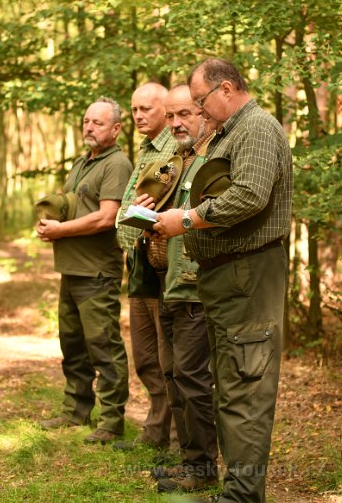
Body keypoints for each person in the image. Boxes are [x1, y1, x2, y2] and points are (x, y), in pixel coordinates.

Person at [153, 59, 293, 502]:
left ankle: (242, 497)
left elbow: (250, 194)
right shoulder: (232, 132)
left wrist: (188, 221)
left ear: (227, 88)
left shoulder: (255, 129)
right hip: (228, 277)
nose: (199, 109)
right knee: (231, 386)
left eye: (200, 101)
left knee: (246, 388)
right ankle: (236, 490)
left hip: (249, 275)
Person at [136, 84, 219, 493]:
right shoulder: (179, 160)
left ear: (203, 110)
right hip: (167, 284)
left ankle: (203, 469)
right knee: (176, 376)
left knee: (192, 378)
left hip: (195, 287)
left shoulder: (212, 159)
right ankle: (191, 462)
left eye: (183, 113)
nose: (176, 123)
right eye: (170, 116)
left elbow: (216, 216)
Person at [37, 97, 132, 444]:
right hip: (71, 268)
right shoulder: (81, 163)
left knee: (103, 346)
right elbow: (77, 208)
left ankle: (110, 422)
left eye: (98, 122)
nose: (90, 127)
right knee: (73, 345)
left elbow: (108, 217)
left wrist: (60, 231)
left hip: (97, 272)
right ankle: (75, 411)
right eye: (86, 121)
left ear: (116, 129)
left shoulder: (117, 163)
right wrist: (50, 223)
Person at [115, 82, 176, 449]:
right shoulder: (147, 147)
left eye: (146, 109)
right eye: (134, 110)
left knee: (168, 355)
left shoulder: (173, 149)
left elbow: (153, 209)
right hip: (138, 264)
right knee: (145, 355)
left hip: (160, 264)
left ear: (164, 110)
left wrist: (134, 218)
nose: (138, 116)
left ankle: (172, 436)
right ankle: (156, 431)